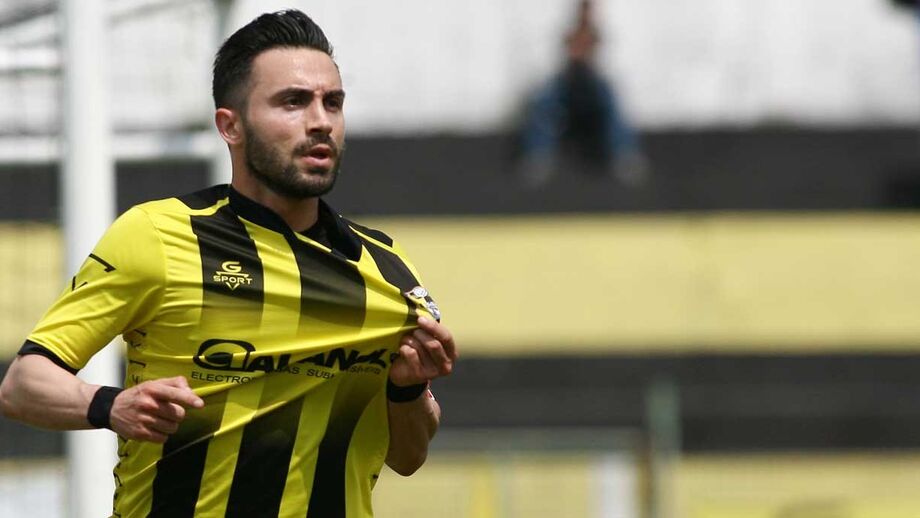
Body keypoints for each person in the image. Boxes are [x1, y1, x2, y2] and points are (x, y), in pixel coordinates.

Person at [0, 9, 457, 518]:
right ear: (230, 125)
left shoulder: (387, 269)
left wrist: (408, 388)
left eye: (332, 102)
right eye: (293, 102)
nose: (320, 121)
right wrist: (109, 405)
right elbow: (23, 385)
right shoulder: (158, 236)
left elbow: (408, 456)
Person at [516, 0, 648, 187]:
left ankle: (623, 153)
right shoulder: (571, 34)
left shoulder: (594, 35)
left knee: (610, 100)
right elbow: (570, 58)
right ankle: (537, 153)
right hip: (569, 86)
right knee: (544, 101)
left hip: (589, 87)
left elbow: (592, 61)